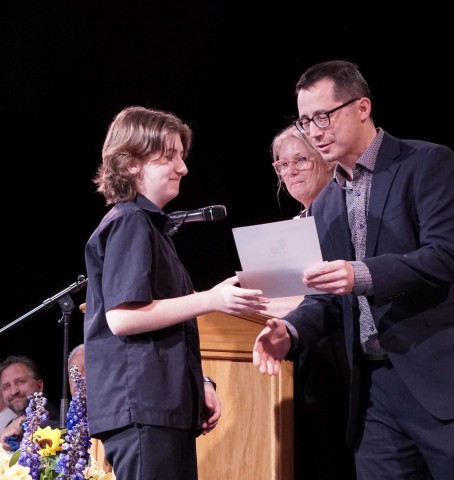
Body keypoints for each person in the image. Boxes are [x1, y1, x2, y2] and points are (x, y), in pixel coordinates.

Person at [252, 59, 454, 480]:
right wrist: (290, 331)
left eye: (323, 115)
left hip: (443, 379)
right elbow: (324, 297)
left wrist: (362, 274)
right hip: (374, 392)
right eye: (306, 121)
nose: (315, 131)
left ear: (362, 107)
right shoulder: (325, 205)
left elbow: (444, 256)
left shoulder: (427, 162)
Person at [84, 105, 268, 480]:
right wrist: (212, 299)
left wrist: (200, 383)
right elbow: (121, 318)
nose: (182, 168)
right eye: (169, 156)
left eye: (182, 156)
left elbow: (167, 325)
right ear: (132, 163)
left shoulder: (151, 228)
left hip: (162, 408)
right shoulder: (130, 222)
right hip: (142, 408)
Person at [266, 125, 356, 479]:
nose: (290, 171)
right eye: (281, 164)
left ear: (324, 159)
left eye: (300, 160)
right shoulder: (289, 228)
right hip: (296, 358)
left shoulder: (344, 218)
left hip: (338, 358)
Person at [0, 355, 60, 451]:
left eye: (20, 382)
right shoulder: (12, 423)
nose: (14, 391)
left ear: (39, 386)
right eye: (7, 386)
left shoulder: (52, 416)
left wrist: (23, 422)